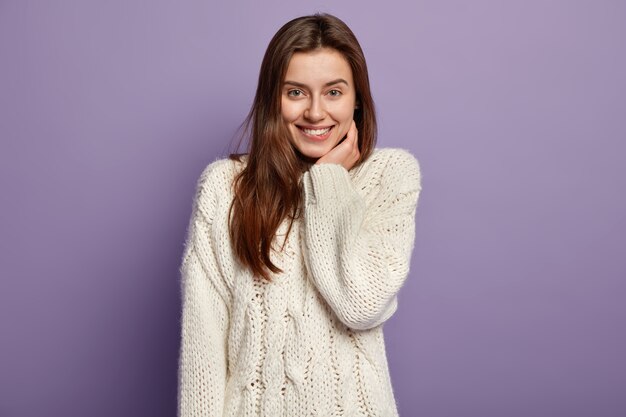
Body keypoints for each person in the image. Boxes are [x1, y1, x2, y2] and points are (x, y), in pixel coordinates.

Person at [177, 12, 423, 417]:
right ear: (273, 98)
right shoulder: (225, 187)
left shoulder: (390, 176)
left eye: (333, 92)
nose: (314, 112)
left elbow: (362, 304)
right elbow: (203, 346)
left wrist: (328, 179)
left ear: (357, 98)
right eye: (296, 92)